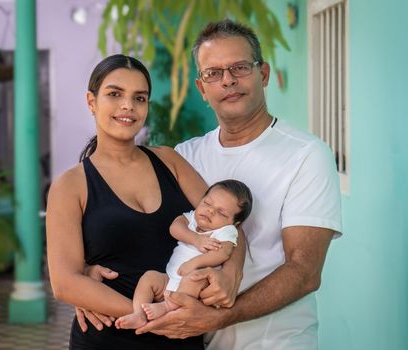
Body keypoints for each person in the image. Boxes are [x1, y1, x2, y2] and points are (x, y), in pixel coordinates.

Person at [79, 19, 342, 349]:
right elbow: (149, 236)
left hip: (275, 342)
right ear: (202, 89)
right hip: (195, 341)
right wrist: (90, 278)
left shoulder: (306, 155)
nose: (228, 80)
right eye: (213, 73)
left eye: (240, 67)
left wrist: (222, 314)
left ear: (263, 74)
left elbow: (304, 271)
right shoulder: (185, 156)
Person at [46, 54, 241, 349]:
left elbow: (229, 225)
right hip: (111, 337)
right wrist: (151, 315)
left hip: (181, 336)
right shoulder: (70, 186)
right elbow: (65, 283)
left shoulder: (170, 161)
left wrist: (230, 276)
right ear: (91, 101)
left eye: (140, 98)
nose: (128, 106)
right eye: (114, 94)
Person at [115, 180, 253, 330]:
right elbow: (175, 228)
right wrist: (197, 240)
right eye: (207, 203)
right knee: (149, 277)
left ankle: (167, 306)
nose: (210, 211)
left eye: (221, 212)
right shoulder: (192, 217)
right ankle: (138, 314)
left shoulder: (227, 231)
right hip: (169, 278)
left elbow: (223, 253)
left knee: (195, 279)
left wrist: (195, 263)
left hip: (193, 284)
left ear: (235, 223)